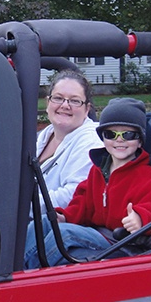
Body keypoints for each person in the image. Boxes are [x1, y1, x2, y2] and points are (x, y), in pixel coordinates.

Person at [24, 97, 151, 268]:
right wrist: (65, 216)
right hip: (96, 231)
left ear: (140, 140)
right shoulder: (98, 170)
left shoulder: (146, 175)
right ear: (103, 138)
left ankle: (27, 273)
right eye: (111, 134)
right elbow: (83, 202)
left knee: (64, 234)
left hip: (119, 241)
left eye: (128, 134)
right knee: (44, 222)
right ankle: (13, 265)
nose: (119, 140)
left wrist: (140, 218)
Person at [35, 69, 103, 215]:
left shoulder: (92, 143)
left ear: (86, 109)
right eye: (58, 98)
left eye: (74, 101)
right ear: (48, 103)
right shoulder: (43, 136)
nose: (65, 105)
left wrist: (19, 204)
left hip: (57, 229)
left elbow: (72, 196)